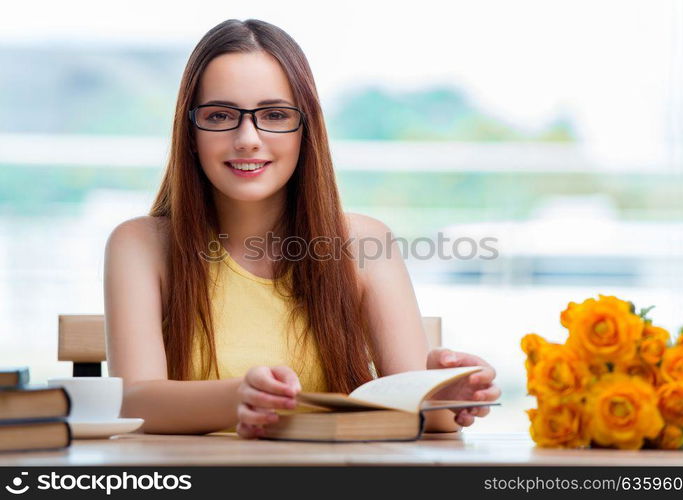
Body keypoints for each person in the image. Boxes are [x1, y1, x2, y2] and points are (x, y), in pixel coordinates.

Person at [104, 19, 500, 438]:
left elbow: (416, 414)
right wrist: (239, 398)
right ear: (190, 133)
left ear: (305, 130)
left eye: (274, 115)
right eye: (220, 115)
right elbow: (134, 402)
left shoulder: (365, 243)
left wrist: (445, 395)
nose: (248, 138)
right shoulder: (140, 245)